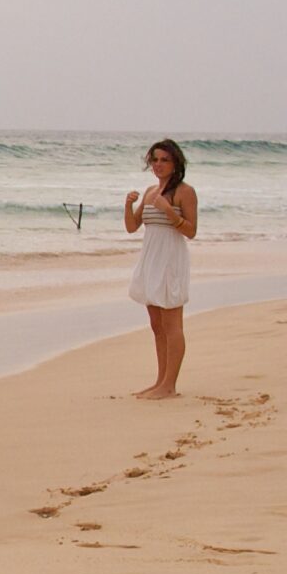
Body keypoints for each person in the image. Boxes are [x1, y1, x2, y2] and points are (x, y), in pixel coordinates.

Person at [124, 138, 197, 399]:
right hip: (150, 259)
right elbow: (132, 227)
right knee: (156, 325)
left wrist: (170, 212)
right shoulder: (150, 192)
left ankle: (170, 385)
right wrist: (128, 204)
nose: (158, 164)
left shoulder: (184, 192)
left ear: (176, 162)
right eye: (154, 159)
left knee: (172, 324)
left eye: (164, 159)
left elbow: (191, 231)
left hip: (171, 260)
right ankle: (160, 381)